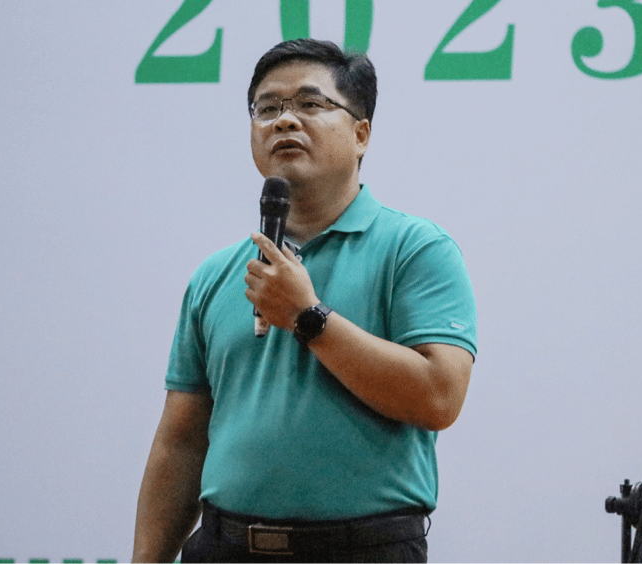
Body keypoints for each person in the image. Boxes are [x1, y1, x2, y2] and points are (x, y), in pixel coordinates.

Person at [132, 38, 477, 564]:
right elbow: (181, 442)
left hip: (360, 551)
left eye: (310, 104)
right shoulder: (216, 273)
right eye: (267, 108)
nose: (285, 120)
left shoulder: (416, 250)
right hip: (225, 548)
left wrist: (307, 317)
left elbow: (439, 397)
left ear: (361, 134)